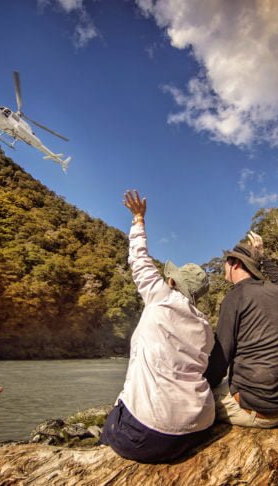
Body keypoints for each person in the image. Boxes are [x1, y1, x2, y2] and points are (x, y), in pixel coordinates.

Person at [99, 190, 215, 463]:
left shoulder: (161, 296)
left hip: (151, 433)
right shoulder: (205, 326)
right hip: (200, 425)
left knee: (109, 426)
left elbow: (139, 259)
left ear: (173, 282)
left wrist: (138, 220)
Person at [204, 232, 278, 428]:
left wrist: (201, 383)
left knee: (192, 399)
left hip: (256, 410)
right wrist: (261, 255)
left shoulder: (235, 297)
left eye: (226, 262)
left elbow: (221, 359)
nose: (224, 266)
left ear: (236, 264)